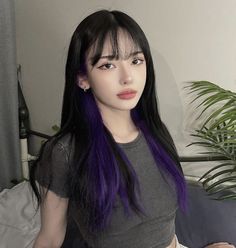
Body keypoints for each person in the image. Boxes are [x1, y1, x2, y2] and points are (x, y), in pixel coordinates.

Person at [30, 9, 188, 248]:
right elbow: (50, 239)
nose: (127, 77)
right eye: (108, 65)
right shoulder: (65, 152)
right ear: (83, 77)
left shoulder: (156, 133)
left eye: (135, 61)